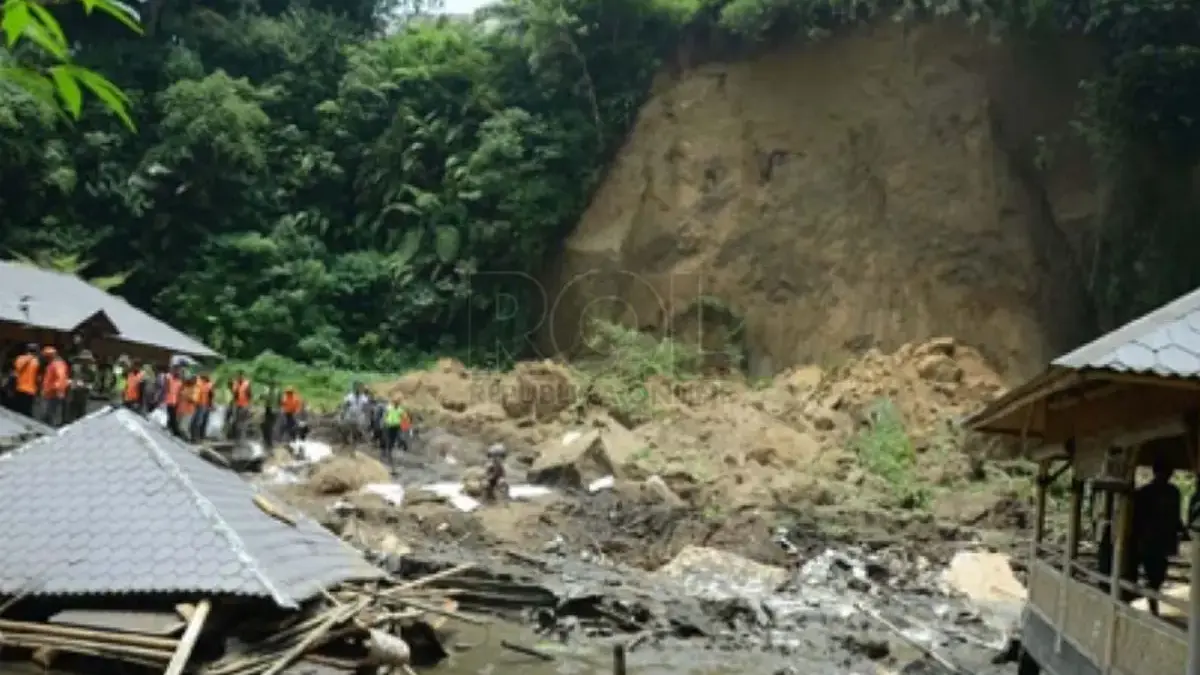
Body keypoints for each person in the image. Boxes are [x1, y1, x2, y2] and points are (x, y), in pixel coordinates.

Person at [1133, 457, 1185, 615]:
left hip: (1157, 539)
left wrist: (1181, 529)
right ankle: (1152, 601)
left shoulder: (1171, 492)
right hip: (1152, 539)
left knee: (1158, 572)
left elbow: (1175, 516)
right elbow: (1138, 517)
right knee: (1154, 571)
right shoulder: (1151, 492)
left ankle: (1152, 598)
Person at [39, 346, 69, 426]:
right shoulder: (53, 364)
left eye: (46, 357)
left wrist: (53, 389)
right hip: (50, 393)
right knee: (47, 415)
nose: (45, 359)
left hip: (53, 394)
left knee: (49, 415)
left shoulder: (57, 364)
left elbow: (61, 379)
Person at [67, 349, 98, 424]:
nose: (85, 361)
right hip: (74, 393)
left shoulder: (92, 370)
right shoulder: (75, 367)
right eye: (83, 359)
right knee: (72, 412)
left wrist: (85, 385)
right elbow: (69, 378)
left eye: (86, 360)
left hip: (84, 394)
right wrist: (72, 382)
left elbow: (93, 383)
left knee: (81, 413)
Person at [10, 343, 39, 418]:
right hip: (31, 390)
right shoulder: (36, 362)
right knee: (26, 412)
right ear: (35, 351)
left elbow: (16, 370)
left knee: (16, 409)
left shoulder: (19, 358)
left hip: (19, 387)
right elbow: (38, 377)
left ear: (26, 350)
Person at [380, 397, 407, 467]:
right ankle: (388, 453)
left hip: (396, 426)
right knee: (388, 439)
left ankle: (390, 451)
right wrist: (383, 422)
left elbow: (404, 418)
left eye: (397, 403)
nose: (396, 404)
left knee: (394, 439)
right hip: (389, 426)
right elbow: (384, 415)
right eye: (395, 402)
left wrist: (405, 426)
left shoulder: (400, 410)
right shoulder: (389, 408)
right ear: (393, 403)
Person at [228, 371, 252, 440]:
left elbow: (249, 395)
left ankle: (241, 437)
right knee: (236, 420)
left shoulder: (246, 384)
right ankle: (235, 436)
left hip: (244, 405)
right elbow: (232, 391)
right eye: (238, 376)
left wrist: (249, 405)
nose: (239, 377)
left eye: (240, 376)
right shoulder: (235, 383)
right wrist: (230, 381)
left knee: (242, 421)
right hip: (236, 404)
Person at [190, 373, 213, 441]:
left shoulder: (208, 384)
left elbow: (211, 395)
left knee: (199, 421)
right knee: (197, 421)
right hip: (199, 404)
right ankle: (195, 437)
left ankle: (197, 436)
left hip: (203, 404)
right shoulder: (199, 382)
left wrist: (210, 404)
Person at [163, 365, 183, 437]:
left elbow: (180, 392)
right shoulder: (169, 378)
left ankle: (173, 429)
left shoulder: (180, 381)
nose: (178, 373)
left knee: (173, 416)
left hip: (176, 401)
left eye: (179, 371)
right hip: (169, 399)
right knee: (171, 415)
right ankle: (173, 430)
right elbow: (166, 386)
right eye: (177, 371)